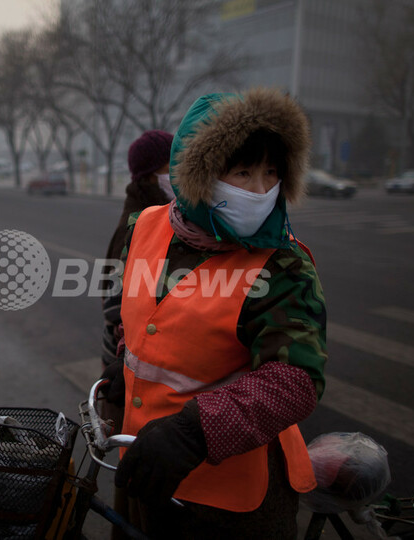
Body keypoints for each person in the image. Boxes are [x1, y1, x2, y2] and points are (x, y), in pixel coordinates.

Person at [103, 87, 328, 539]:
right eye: (243, 172)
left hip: (231, 504)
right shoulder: (145, 227)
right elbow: (146, 316)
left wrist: (195, 431)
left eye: (270, 173)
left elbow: (295, 379)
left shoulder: (284, 265)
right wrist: (125, 368)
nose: (261, 190)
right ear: (197, 176)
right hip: (146, 468)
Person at [102, 130, 174, 372]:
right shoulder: (137, 224)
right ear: (151, 176)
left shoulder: (163, 212)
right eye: (171, 166)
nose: (180, 172)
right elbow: (116, 305)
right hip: (128, 364)